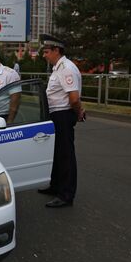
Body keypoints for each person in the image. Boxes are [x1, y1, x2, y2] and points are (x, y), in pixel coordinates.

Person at [38, 34, 85, 208]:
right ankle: (56, 186)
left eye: (47, 51)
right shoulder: (59, 68)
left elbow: (73, 98)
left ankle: (66, 195)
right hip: (57, 114)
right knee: (57, 153)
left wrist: (78, 111)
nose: (44, 55)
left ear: (57, 50)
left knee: (65, 155)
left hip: (63, 115)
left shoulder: (66, 68)